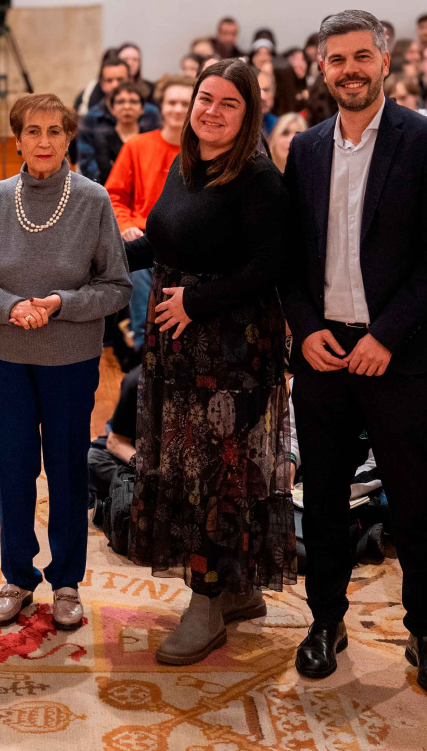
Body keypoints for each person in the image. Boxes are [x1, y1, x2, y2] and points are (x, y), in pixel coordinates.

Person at [279, 10, 427, 698]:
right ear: (320, 67)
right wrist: (304, 327)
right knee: (322, 497)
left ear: (386, 61)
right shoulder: (305, 149)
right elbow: (291, 257)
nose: (350, 70)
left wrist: (386, 336)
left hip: (402, 353)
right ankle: (326, 622)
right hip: (325, 351)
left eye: (362, 56)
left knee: (414, 502)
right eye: (337, 59)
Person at [111, 60, 291, 665]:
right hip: (180, 344)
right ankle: (237, 590)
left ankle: (208, 603)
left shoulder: (258, 178)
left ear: (251, 115)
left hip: (230, 351)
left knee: (214, 477)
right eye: (204, 98)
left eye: (228, 104)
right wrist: (104, 257)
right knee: (195, 471)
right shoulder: (191, 165)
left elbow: (272, 265)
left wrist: (195, 300)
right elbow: (165, 241)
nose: (211, 111)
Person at [0, 92, 128, 633]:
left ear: (69, 137)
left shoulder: (93, 200)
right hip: (3, 354)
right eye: (33, 131)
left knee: (67, 469)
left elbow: (117, 286)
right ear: (18, 140)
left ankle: (68, 582)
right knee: (13, 468)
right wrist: (10, 307)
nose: (45, 141)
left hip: (71, 357)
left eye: (55, 130)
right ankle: (17, 576)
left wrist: (59, 304)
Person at [106, 75, 189, 355]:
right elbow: (114, 196)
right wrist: (127, 225)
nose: (178, 109)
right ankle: (145, 352)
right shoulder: (137, 146)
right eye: (172, 102)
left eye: (185, 104)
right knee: (141, 270)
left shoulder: (201, 153)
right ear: (161, 106)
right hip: (143, 239)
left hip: (186, 247)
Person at [80, 84, 153, 184]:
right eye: (120, 102)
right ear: (112, 109)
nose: (127, 107)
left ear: (142, 109)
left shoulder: (152, 139)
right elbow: (107, 178)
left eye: (133, 101)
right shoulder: (102, 140)